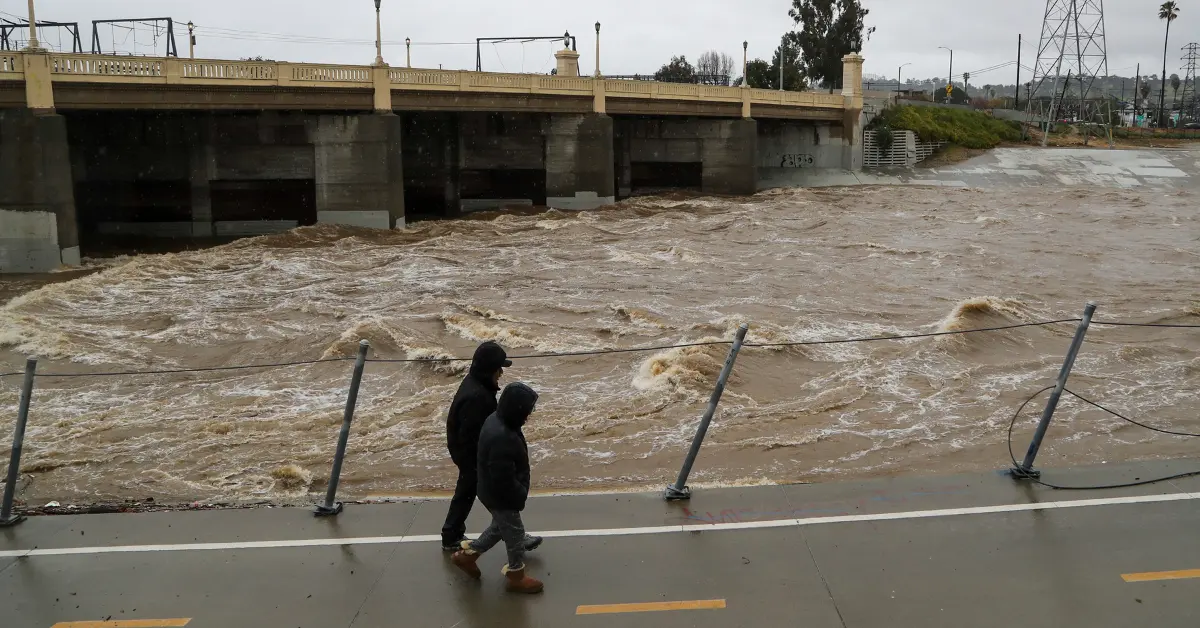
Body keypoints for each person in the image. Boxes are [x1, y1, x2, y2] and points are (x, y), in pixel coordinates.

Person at [441, 342, 542, 554]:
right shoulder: (478, 397)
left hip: (468, 451)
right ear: (489, 370)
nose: (501, 373)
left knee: (468, 492)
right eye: (499, 368)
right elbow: (472, 435)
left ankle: (452, 533)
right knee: (498, 499)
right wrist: (484, 462)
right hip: (472, 454)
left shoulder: (478, 386)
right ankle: (514, 537)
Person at [451, 382, 544, 594]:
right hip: (501, 496)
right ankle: (516, 575)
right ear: (517, 410)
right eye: (528, 410)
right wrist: (519, 495)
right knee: (515, 533)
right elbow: (502, 478)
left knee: (499, 527)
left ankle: (468, 556)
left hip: (489, 491)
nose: (530, 414)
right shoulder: (502, 437)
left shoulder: (495, 420)